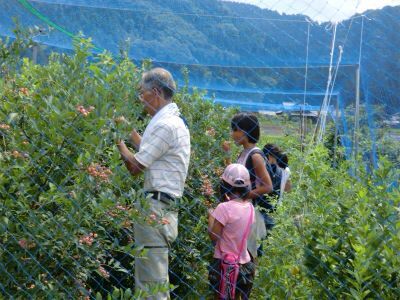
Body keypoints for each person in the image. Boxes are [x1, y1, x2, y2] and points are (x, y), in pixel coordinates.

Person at [117, 68, 190, 299]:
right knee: (155, 280)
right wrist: (128, 130)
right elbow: (150, 150)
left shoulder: (165, 125)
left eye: (142, 93)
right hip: (163, 208)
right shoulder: (171, 122)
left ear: (156, 92)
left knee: (151, 287)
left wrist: (118, 141)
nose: (141, 99)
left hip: (155, 209)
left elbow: (135, 167)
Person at [222, 113, 272, 259]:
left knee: (249, 255)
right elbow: (232, 175)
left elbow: (267, 186)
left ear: (244, 132)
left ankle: (247, 280)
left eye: (234, 130)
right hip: (241, 211)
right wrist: (227, 154)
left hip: (251, 213)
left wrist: (244, 195)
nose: (232, 134)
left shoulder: (255, 156)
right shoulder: (244, 153)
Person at [208, 164, 256, 299]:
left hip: (223, 264)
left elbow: (214, 236)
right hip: (245, 265)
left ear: (224, 185)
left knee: (222, 295)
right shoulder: (250, 208)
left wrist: (211, 217)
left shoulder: (223, 208)